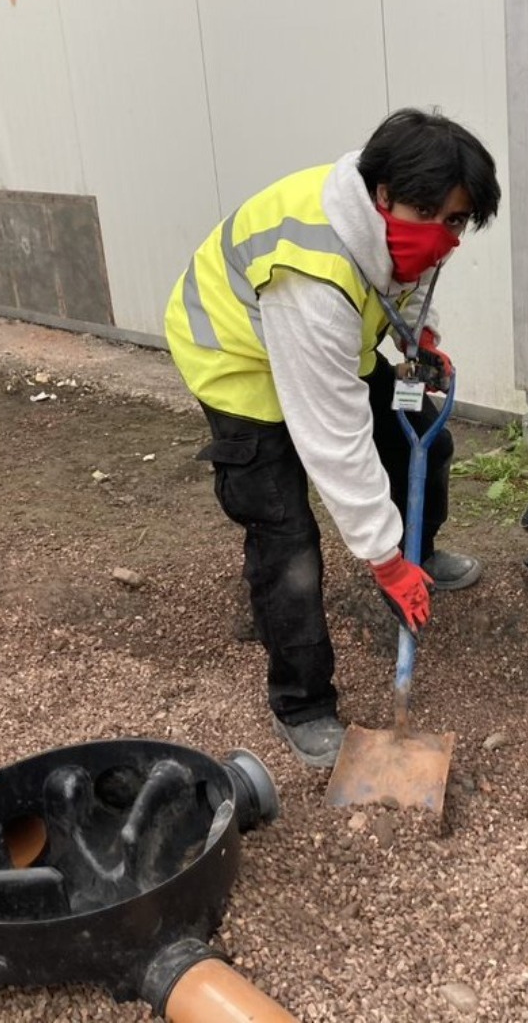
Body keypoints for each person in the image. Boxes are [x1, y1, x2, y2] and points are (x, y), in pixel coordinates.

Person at [164, 107, 501, 768]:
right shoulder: (312, 278)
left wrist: (417, 340)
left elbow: (396, 285)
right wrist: (380, 555)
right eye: (433, 215)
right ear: (383, 196)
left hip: (320, 346)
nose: (444, 236)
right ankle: (303, 703)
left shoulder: (397, 223)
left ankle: (420, 554)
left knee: (420, 445)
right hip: (239, 357)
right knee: (286, 535)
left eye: (457, 221)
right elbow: (333, 439)